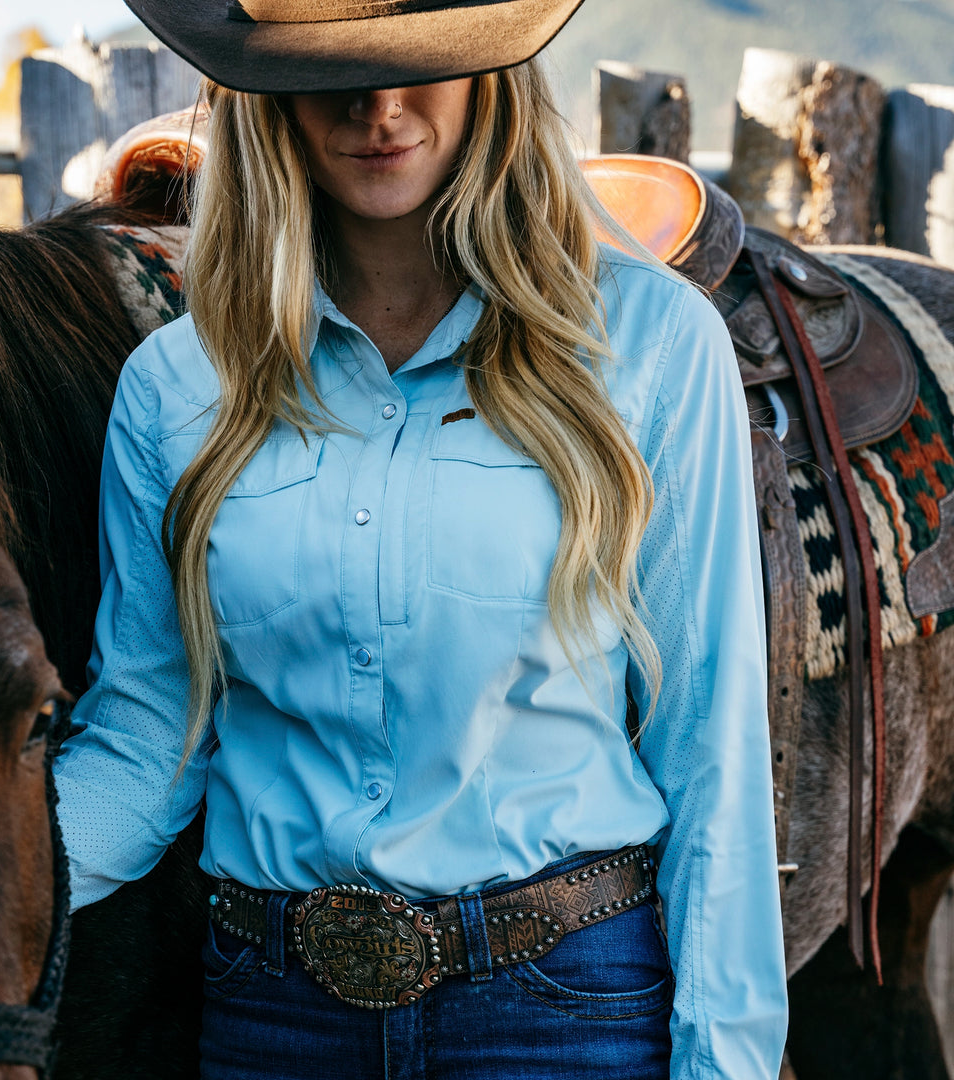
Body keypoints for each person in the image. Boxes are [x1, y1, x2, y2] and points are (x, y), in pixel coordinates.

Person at [53, 1, 789, 1076]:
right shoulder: (177, 389)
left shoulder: (648, 345)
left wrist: (723, 1061)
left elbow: (709, 742)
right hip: (274, 1018)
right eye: (330, 71)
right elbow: (146, 741)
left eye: (420, 67)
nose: (379, 108)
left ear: (490, 71)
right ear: (264, 95)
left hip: (562, 1010)